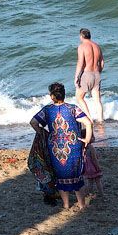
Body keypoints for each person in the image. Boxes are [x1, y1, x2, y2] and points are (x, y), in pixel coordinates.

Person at [32, 82, 94, 211]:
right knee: (76, 176)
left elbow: (33, 122)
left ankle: (66, 205)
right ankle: (82, 205)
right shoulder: (73, 108)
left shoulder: (47, 110)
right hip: (73, 146)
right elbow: (88, 123)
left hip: (55, 147)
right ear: (64, 94)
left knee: (60, 177)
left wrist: (43, 133)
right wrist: (87, 139)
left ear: (52, 96)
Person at [74, 28, 105, 124]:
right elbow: (102, 63)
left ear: (81, 36)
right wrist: (98, 71)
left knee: (79, 97)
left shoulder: (82, 46)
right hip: (97, 74)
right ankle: (100, 120)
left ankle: (89, 119)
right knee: (97, 100)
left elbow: (80, 63)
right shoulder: (97, 46)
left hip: (87, 74)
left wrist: (76, 77)